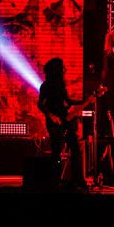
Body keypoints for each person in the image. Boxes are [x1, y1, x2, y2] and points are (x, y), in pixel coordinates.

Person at [37, 57, 86, 189]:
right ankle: (55, 180)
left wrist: (85, 100)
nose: (65, 70)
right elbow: (40, 104)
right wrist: (51, 115)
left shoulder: (61, 85)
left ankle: (77, 179)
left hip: (65, 120)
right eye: (63, 67)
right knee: (56, 151)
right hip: (54, 123)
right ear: (57, 70)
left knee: (75, 148)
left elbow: (68, 101)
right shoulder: (46, 85)